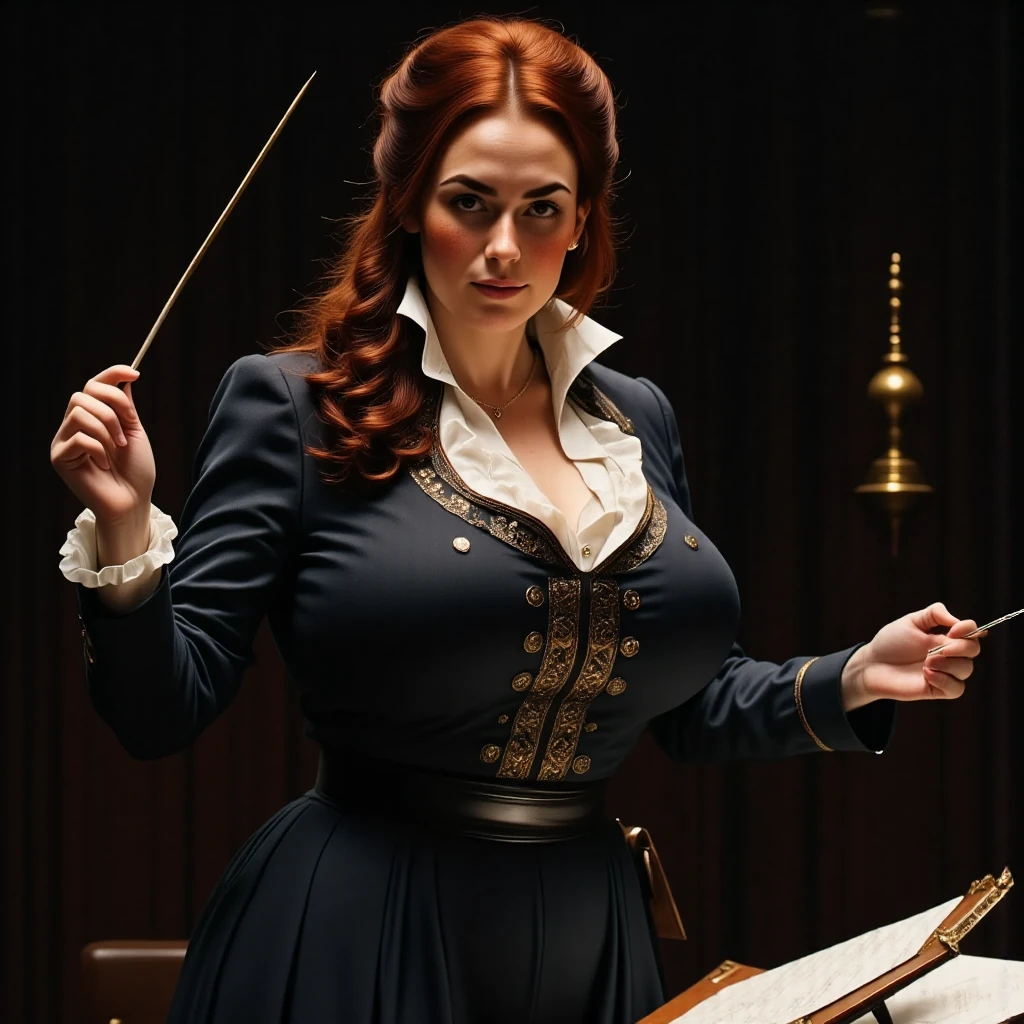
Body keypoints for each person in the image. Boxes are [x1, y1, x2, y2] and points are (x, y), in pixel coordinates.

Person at [50, 16, 985, 1024]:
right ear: (410, 205)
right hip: (357, 928)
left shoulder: (634, 415)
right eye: (469, 203)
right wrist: (125, 526)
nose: (505, 247)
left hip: (589, 931)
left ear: (582, 218)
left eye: (542, 208)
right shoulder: (289, 405)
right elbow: (160, 711)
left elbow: (685, 703)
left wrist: (854, 674)